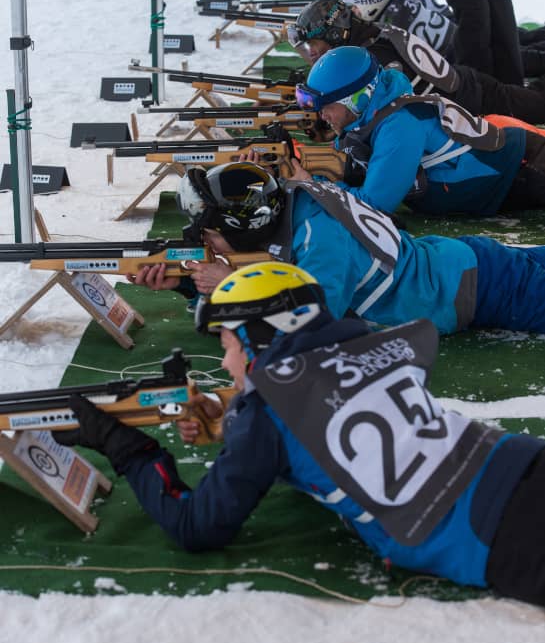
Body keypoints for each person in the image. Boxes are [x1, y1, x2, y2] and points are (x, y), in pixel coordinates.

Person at [55, 261, 545, 606]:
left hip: (494, 532)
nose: (225, 362)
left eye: (227, 344)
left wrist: (127, 447)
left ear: (256, 338)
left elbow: (196, 526)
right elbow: (322, 402)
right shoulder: (368, 343)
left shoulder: (267, 411)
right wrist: (233, 421)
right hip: (515, 458)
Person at [129, 161, 545, 338]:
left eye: (211, 233)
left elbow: (307, 326)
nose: (206, 243)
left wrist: (228, 284)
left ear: (245, 225)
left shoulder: (320, 243)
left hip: (479, 288)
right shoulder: (301, 202)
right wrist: (189, 285)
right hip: (464, 266)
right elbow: (288, 278)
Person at [295, 44, 545, 217]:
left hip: (527, 168)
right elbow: (348, 164)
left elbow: (373, 207)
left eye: (326, 106)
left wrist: (311, 184)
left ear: (357, 99)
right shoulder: (376, 113)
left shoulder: (399, 124)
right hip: (514, 166)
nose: (321, 115)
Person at [288, 0, 545, 124]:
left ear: (335, 33)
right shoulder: (370, 36)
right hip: (467, 86)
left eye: (314, 43)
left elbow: (367, 117)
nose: (311, 51)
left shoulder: (371, 57)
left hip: (475, 99)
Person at [339, 0, 545, 78]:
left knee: (522, 57)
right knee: (521, 46)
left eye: (357, 4)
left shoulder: (392, 25)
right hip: (462, 35)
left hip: (464, 53)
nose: (354, 10)